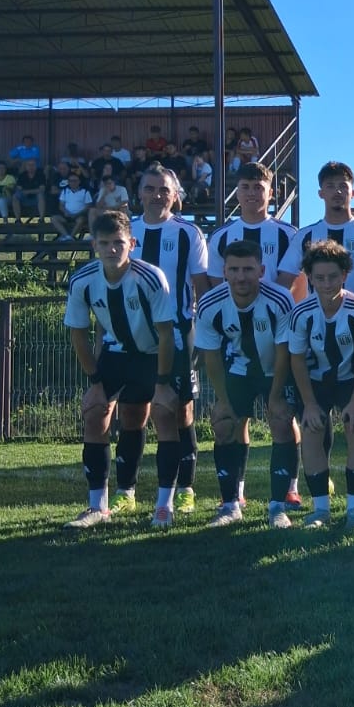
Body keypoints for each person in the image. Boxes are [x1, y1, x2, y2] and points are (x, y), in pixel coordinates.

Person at [63, 209, 177, 528]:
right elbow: (78, 334)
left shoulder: (151, 278)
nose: (112, 249)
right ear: (94, 246)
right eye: (104, 243)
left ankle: (164, 506)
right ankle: (97, 506)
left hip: (154, 354)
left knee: (162, 414)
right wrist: (95, 382)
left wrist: (163, 383)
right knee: (94, 412)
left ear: (132, 243)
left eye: (118, 242)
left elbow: (166, 334)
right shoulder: (83, 281)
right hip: (116, 353)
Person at [193, 239, 298, 529]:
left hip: (275, 370)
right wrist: (223, 400)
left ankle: (278, 507)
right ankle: (230, 505)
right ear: (224, 271)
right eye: (234, 269)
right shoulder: (210, 304)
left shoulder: (280, 300)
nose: (241, 277)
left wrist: (275, 397)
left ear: (261, 271)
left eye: (248, 269)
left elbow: (284, 352)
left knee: (281, 421)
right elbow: (211, 357)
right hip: (237, 370)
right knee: (223, 423)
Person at [131, 165, 211, 513]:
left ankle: (186, 488)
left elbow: (202, 287)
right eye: (150, 188)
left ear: (175, 196)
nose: (157, 195)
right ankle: (126, 491)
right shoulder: (127, 232)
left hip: (179, 333)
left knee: (181, 409)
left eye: (164, 189)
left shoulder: (188, 232)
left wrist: (203, 334)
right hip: (135, 334)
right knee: (133, 410)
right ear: (139, 194)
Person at [286, 240, 354, 530]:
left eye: (333, 277)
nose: (327, 284)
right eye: (320, 278)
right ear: (309, 278)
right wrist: (309, 404)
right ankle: (321, 510)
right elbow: (297, 360)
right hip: (315, 383)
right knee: (311, 430)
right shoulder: (301, 313)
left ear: (345, 275)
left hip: (352, 381)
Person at [279, 161, 354, 298]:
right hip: (315, 312)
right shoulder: (304, 236)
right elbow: (284, 281)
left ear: (353, 193)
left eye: (343, 186)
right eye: (330, 186)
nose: (337, 191)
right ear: (321, 193)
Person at [207, 162, 298, 288]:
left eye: (258, 187)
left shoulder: (290, 235)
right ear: (237, 193)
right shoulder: (220, 236)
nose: (251, 193)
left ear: (270, 193)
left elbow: (297, 283)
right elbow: (217, 284)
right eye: (245, 187)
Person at [50, 169, 94, 241]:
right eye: (71, 181)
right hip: (66, 215)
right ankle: (66, 236)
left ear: (79, 181)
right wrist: (66, 212)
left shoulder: (85, 192)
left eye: (75, 181)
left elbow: (88, 206)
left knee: (81, 220)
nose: (73, 182)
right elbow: (61, 205)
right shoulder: (64, 191)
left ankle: (71, 236)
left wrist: (77, 214)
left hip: (79, 215)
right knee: (54, 218)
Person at [10, 157, 48, 226]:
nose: (31, 167)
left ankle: (41, 219)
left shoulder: (41, 175)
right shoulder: (22, 175)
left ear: (36, 166)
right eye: (29, 165)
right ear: (26, 166)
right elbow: (19, 189)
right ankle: (18, 219)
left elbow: (42, 189)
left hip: (36, 200)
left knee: (40, 195)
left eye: (33, 165)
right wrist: (33, 191)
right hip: (24, 199)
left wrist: (28, 191)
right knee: (15, 196)